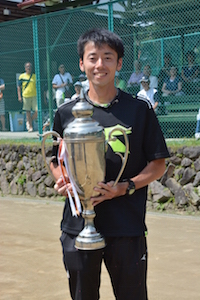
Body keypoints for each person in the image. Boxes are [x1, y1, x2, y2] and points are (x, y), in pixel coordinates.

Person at [50, 28, 169, 300]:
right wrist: (64, 179)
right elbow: (54, 156)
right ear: (81, 63)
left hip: (126, 226)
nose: (99, 65)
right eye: (92, 58)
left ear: (119, 63)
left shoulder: (139, 110)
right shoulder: (67, 112)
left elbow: (158, 164)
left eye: (108, 57)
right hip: (78, 225)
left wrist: (124, 187)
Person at [17, 62, 37, 132]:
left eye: (30, 67)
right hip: (25, 95)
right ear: (25, 68)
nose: (29, 68)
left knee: (37, 111)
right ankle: (30, 127)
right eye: (27, 67)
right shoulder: (21, 76)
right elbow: (18, 87)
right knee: (27, 111)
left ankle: (29, 121)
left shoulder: (35, 76)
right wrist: (19, 96)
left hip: (34, 95)